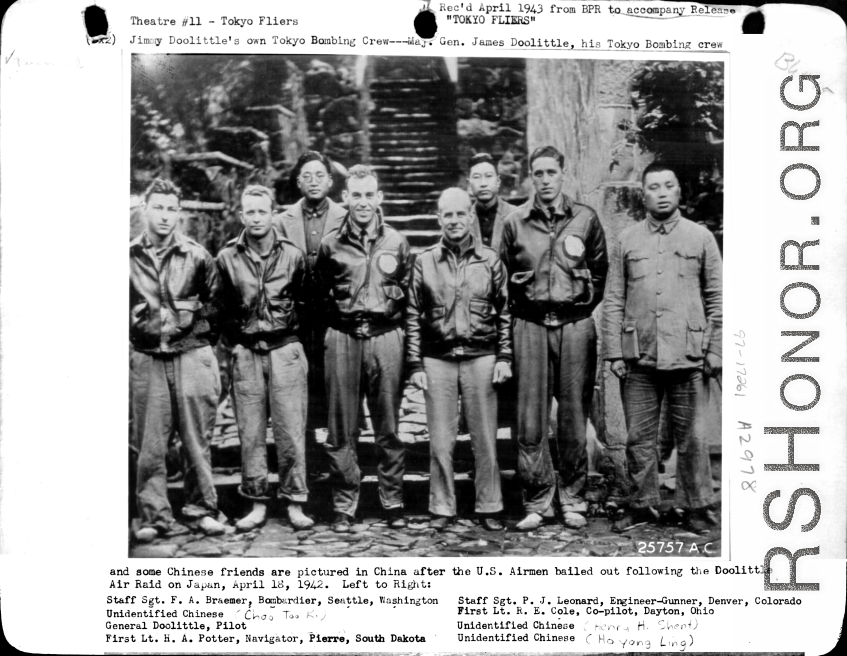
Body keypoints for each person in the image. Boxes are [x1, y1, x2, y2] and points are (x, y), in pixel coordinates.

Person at [602, 162, 722, 535]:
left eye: (669, 185)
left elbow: (718, 298)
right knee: (639, 438)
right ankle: (642, 505)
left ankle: (697, 507)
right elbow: (614, 298)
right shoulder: (627, 239)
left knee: (693, 438)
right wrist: (614, 353)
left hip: (689, 355)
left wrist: (714, 351)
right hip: (639, 356)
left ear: (679, 191)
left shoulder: (700, 237)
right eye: (654, 187)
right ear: (644, 194)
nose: (662, 192)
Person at [500, 145, 609, 531]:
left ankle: (573, 498)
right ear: (530, 177)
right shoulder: (515, 223)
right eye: (538, 173)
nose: (545, 180)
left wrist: (575, 305)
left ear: (563, 174)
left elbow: (599, 272)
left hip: (574, 324)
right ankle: (537, 500)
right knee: (529, 419)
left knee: (573, 417)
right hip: (528, 326)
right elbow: (504, 280)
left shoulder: (585, 219)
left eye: (551, 172)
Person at [407, 188, 512, 531]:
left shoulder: (491, 260)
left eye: (460, 214)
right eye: (446, 215)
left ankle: (490, 505)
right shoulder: (424, 261)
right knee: (440, 439)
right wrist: (415, 364)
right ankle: (441, 506)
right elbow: (411, 314)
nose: (454, 221)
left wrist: (504, 356)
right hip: (438, 358)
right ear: (438, 218)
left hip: (481, 355)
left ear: (471, 217)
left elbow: (505, 312)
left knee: (485, 438)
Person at [315, 165, 411, 532]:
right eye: (356, 195)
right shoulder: (330, 245)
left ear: (380, 197)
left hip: (386, 336)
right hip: (343, 335)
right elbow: (319, 298)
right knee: (342, 427)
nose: (363, 202)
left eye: (370, 194)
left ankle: (393, 499)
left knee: (388, 425)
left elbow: (408, 297)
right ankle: (344, 502)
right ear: (346, 198)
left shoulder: (397, 242)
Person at [129, 178, 226, 543]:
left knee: (196, 438)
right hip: (147, 358)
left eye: (172, 209)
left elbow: (216, 308)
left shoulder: (198, 256)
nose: (165, 216)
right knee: (150, 443)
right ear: (144, 208)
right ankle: (154, 516)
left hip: (191, 355)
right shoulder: (128, 257)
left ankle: (203, 509)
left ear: (180, 213)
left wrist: (192, 338)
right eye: (159, 207)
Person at [216, 185, 314, 532]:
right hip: (247, 353)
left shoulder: (293, 255)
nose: (256, 218)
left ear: (273, 213)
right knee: (251, 432)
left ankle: (295, 501)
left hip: (285, 349)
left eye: (262, 211)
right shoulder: (227, 257)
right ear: (241, 216)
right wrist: (239, 338)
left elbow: (307, 304)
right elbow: (219, 307)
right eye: (250, 212)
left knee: (290, 430)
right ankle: (256, 502)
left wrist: (294, 343)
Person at [274, 152, 347, 454]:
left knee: (334, 383)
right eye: (307, 176)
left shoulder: (347, 216)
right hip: (298, 316)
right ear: (298, 182)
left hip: (335, 315)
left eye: (320, 175)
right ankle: (305, 454)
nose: (314, 181)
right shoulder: (281, 221)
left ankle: (339, 452)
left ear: (330, 181)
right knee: (298, 382)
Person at [467, 153, 515, 250]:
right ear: (469, 184)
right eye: (476, 177)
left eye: (489, 176)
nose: (483, 183)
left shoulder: (515, 215)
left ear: (498, 181)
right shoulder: (463, 218)